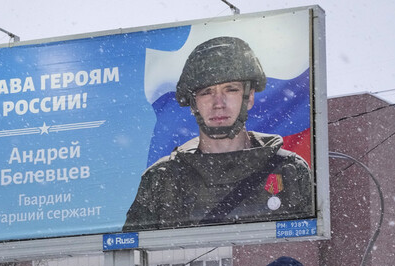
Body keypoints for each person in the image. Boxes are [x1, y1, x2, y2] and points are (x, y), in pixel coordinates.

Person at [123, 36, 313, 232]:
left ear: (248, 98)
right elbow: (131, 253)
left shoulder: (289, 170)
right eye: (206, 92)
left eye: (230, 90)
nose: (218, 103)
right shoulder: (162, 179)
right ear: (193, 104)